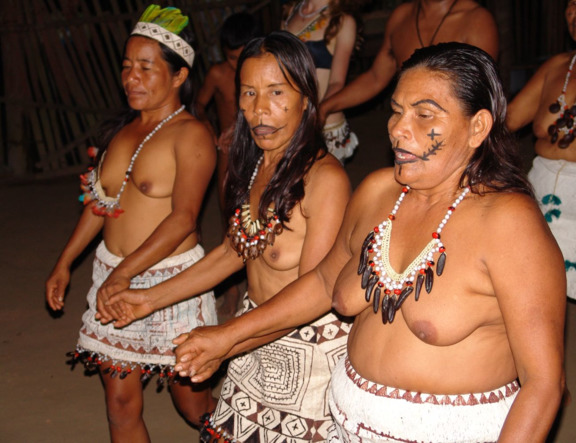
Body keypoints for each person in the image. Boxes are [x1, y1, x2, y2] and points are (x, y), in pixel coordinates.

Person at [152, 43, 565, 442]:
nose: (398, 129)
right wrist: (226, 337)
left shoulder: (508, 223)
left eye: (424, 115)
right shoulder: (379, 193)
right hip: (344, 425)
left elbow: (543, 383)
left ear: (478, 127)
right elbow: (322, 282)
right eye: (397, 111)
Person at [98, 31, 351, 442]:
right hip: (254, 338)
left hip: (308, 353)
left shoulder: (325, 180)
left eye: (276, 92)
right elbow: (233, 251)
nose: (259, 109)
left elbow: (315, 293)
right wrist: (148, 299)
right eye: (249, 93)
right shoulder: (257, 166)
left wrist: (227, 339)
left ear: (306, 98)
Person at [45, 5, 217, 441]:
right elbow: (99, 204)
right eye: (126, 66)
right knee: (119, 404)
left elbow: (183, 219)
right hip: (111, 274)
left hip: (170, 281)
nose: (130, 78)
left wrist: (124, 274)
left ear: (178, 76)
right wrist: (65, 262)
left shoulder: (192, 135)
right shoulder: (120, 133)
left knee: (193, 404)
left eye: (145, 67)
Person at [507, 0, 576, 331]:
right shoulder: (557, 66)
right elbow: (509, 120)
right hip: (542, 198)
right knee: (528, 294)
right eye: (574, 3)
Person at [320, 0, 499, 121]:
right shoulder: (401, 17)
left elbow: (482, 94)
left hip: (456, 133)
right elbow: (376, 77)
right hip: (407, 127)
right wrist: (326, 107)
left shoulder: (477, 20)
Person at [195, 11, 260, 321]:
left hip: (259, 149)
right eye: (232, 58)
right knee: (229, 215)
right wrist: (209, 128)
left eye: (243, 56)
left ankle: (258, 283)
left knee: (260, 214)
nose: (238, 65)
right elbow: (198, 104)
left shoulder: (262, 73)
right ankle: (232, 288)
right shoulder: (219, 74)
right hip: (228, 151)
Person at [283, 0, 362, 163]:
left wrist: (314, 119)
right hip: (290, 120)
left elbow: (336, 83)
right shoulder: (291, 11)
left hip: (323, 125)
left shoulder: (343, 21)